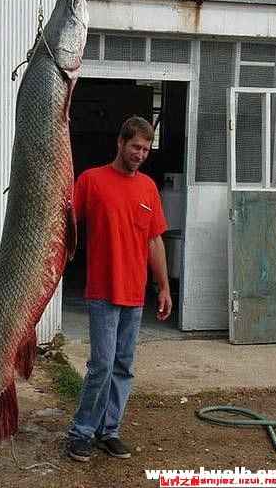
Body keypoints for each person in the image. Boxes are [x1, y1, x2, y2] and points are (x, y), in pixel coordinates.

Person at [67, 115, 172, 462]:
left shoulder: (148, 188)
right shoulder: (91, 181)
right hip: (102, 292)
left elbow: (154, 241)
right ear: (120, 143)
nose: (140, 154)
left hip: (135, 294)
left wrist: (164, 287)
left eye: (146, 149)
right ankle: (81, 433)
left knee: (124, 366)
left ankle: (108, 431)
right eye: (135, 147)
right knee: (101, 365)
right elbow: (65, 224)